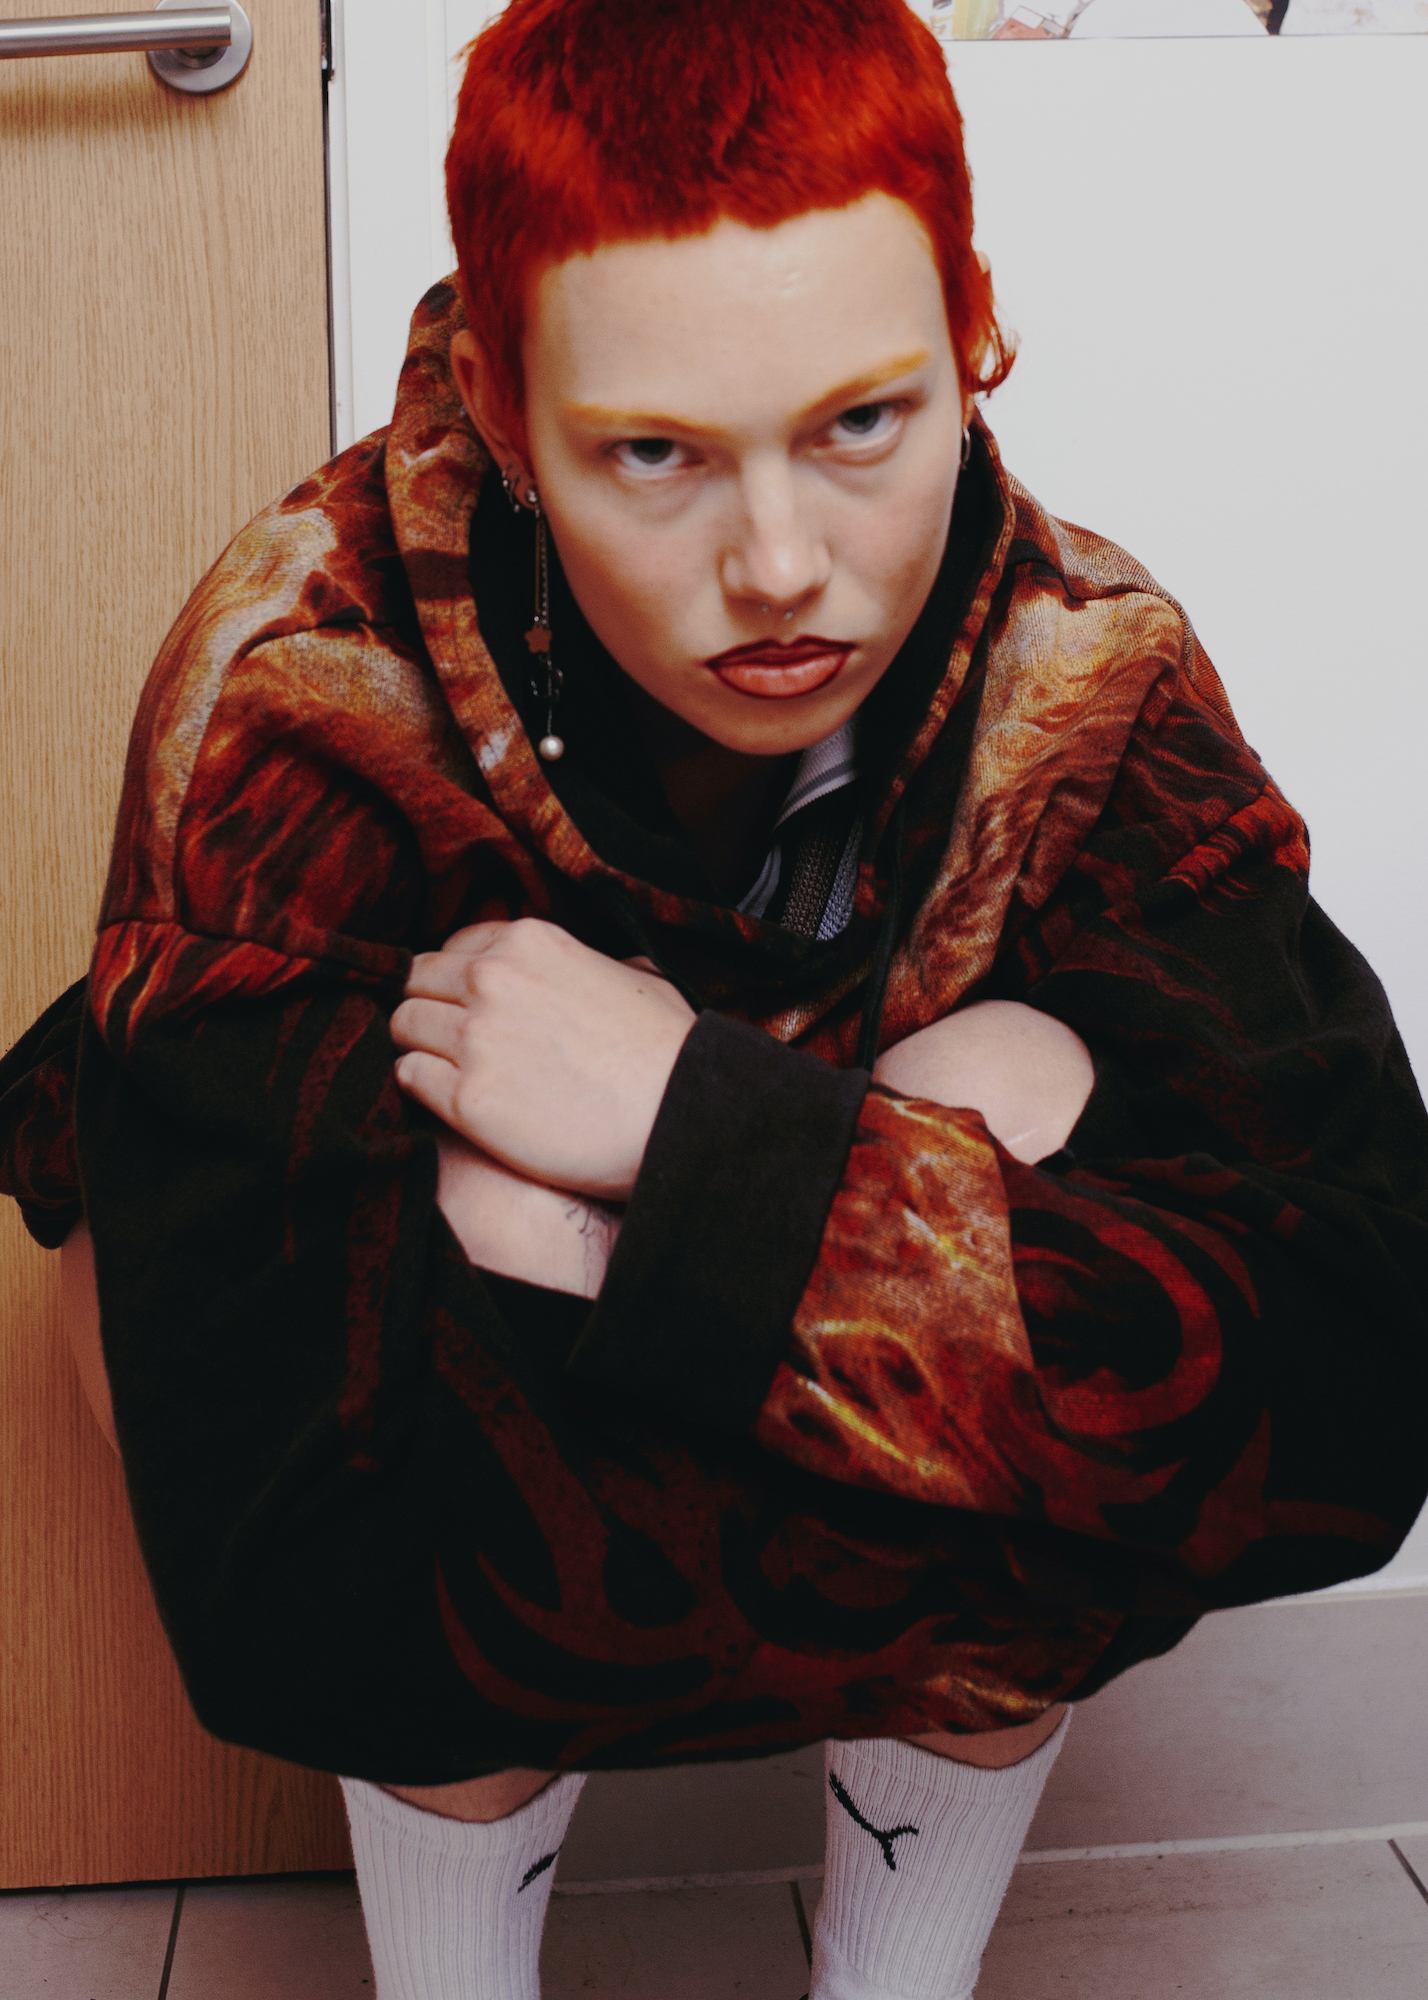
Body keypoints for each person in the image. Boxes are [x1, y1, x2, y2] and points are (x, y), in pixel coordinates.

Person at [2, 0, 1426, 1993]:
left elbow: (1360, 1381)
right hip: (408, 1508)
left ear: (971, 337)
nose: (782, 566)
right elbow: (277, 1553)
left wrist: (692, 1157)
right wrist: (933, 1226)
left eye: (864, 423)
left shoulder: (1088, 678)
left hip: (653, 1379)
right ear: (503, 410)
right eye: (656, 454)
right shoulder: (293, 688)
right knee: (967, 1172)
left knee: (1027, 1102)